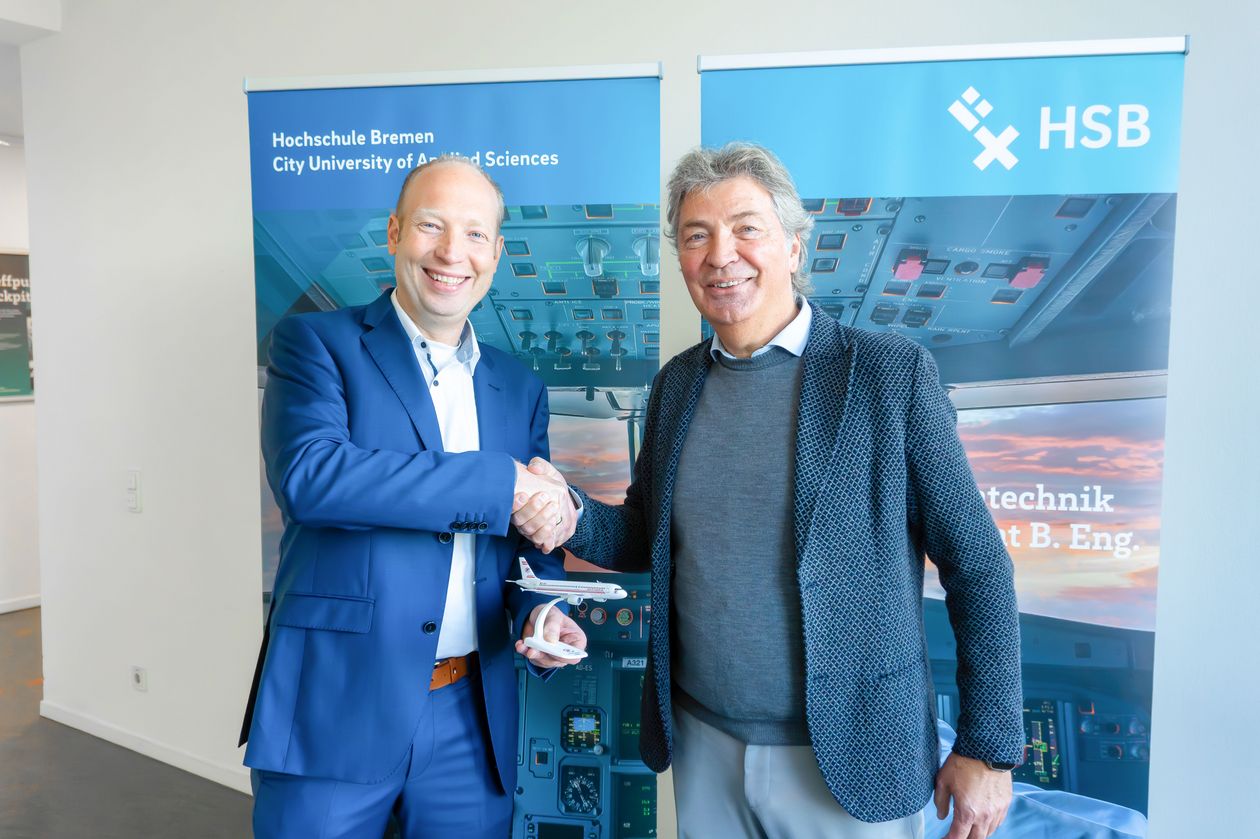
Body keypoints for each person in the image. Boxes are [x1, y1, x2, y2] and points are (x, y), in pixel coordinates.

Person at [514, 143, 1024, 839]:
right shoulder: (675, 386)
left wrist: (987, 747)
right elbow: (643, 536)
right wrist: (568, 509)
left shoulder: (888, 374)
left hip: (850, 753)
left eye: (746, 229)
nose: (721, 255)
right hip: (702, 743)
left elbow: (977, 564)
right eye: (697, 236)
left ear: (793, 246)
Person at [240, 156, 584, 838]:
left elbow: (525, 545)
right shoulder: (316, 343)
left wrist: (543, 611)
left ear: (495, 253)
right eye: (431, 226)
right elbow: (312, 477)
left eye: (475, 234)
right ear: (395, 233)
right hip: (335, 702)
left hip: (469, 714)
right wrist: (502, 481)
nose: (452, 252)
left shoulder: (519, 388)